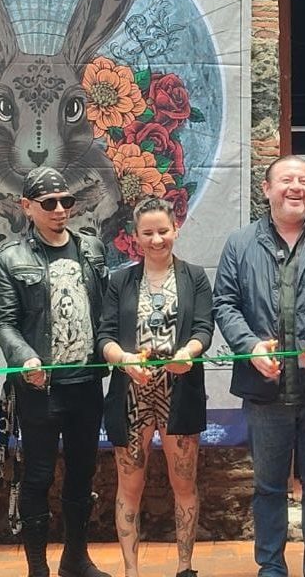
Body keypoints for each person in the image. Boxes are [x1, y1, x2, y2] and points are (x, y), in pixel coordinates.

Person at [213, 156, 305, 577]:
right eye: (287, 180)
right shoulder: (241, 243)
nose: (296, 188)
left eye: (304, 181)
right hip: (265, 392)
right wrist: (250, 346)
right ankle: (271, 567)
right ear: (267, 189)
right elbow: (225, 302)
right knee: (268, 487)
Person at [0, 166, 112, 577]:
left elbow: (105, 311)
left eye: (66, 201)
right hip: (39, 386)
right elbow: (3, 321)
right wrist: (25, 357)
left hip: (86, 381)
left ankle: (76, 559)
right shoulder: (11, 257)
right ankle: (37, 567)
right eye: (49, 203)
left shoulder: (93, 248)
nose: (60, 210)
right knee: (38, 474)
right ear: (27, 207)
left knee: (83, 471)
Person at [100, 197, 212, 577]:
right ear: (136, 237)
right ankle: (131, 570)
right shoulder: (119, 280)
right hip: (131, 391)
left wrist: (189, 352)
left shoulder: (195, 276)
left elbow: (203, 328)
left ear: (175, 229)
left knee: (184, 481)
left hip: (180, 388)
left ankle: (185, 567)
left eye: (163, 231)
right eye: (148, 233)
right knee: (130, 484)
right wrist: (124, 360)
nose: (157, 239)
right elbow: (105, 336)